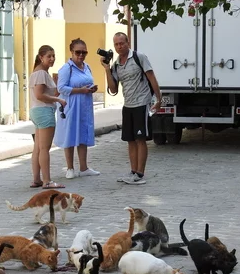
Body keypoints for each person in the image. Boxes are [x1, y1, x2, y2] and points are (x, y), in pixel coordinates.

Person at [102, 32, 162, 185]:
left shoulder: (138, 57)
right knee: (130, 140)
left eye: (122, 43)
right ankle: (133, 171)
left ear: (128, 42)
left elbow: (151, 77)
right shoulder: (116, 64)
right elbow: (113, 89)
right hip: (127, 105)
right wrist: (107, 69)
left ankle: (140, 173)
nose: (119, 46)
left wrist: (159, 98)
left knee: (140, 139)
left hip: (141, 103)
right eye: (116, 44)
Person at [55, 38, 100, 180]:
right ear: (72, 52)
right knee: (69, 134)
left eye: (84, 52)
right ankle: (69, 168)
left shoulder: (87, 67)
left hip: (85, 105)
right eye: (78, 52)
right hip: (71, 105)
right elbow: (61, 88)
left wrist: (91, 89)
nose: (81, 55)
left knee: (83, 135)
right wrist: (80, 90)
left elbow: (88, 82)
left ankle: (84, 167)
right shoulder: (66, 68)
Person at [29, 44, 67, 189]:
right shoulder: (41, 73)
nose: (52, 59)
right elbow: (40, 95)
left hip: (38, 111)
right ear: (41, 57)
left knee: (38, 147)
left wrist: (56, 86)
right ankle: (47, 181)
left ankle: (37, 179)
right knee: (44, 148)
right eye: (48, 56)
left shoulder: (39, 73)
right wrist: (59, 100)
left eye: (53, 56)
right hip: (44, 111)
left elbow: (50, 94)